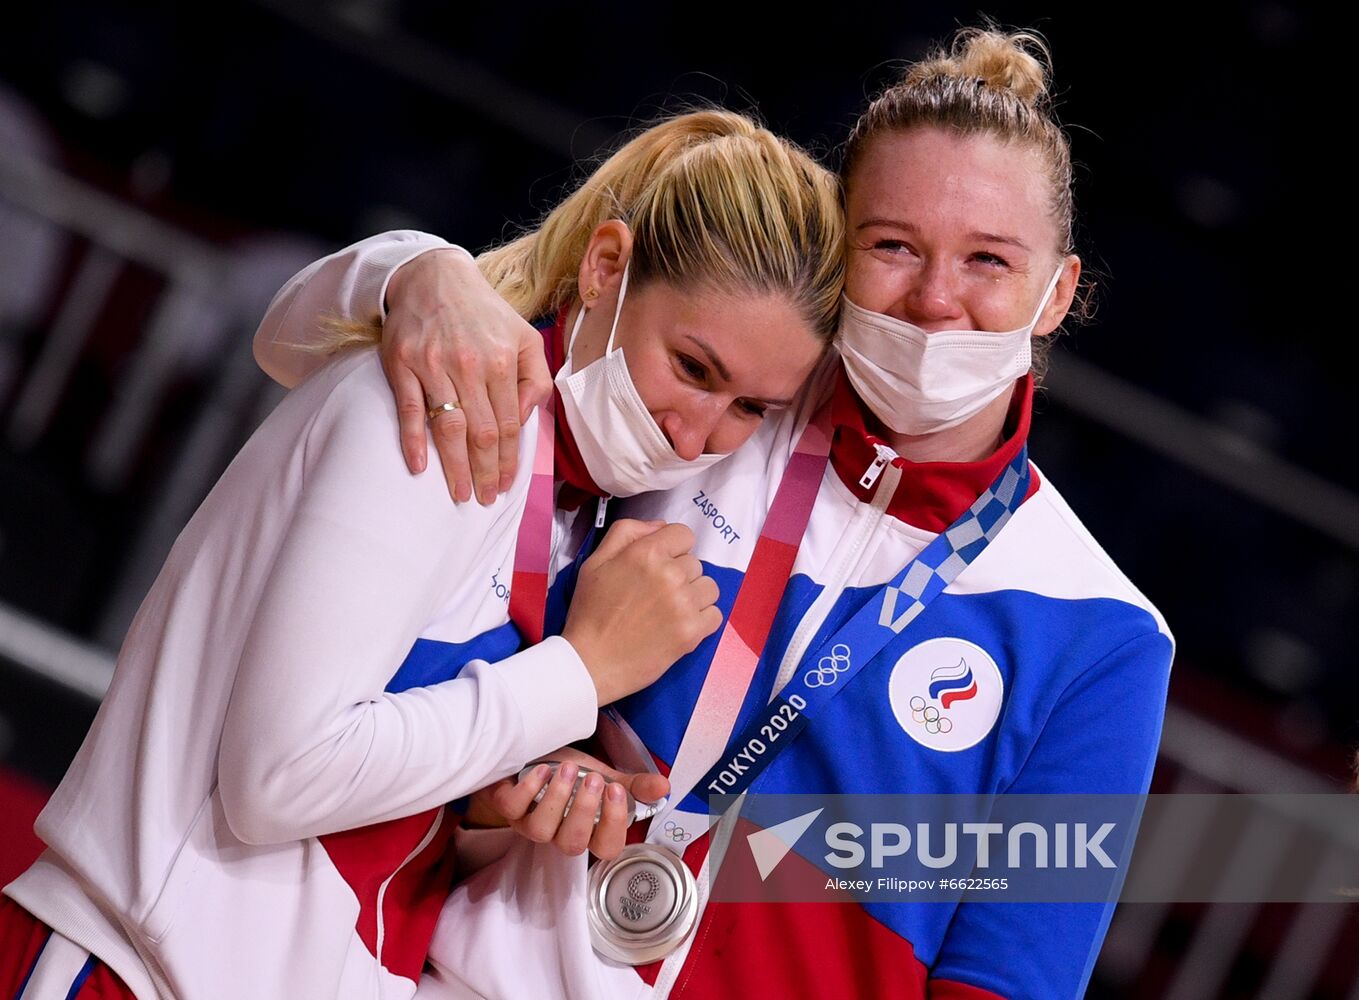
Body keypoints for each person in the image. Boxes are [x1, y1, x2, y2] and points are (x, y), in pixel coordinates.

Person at [250, 27, 1174, 1000]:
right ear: (838, 256)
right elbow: (303, 343)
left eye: (988, 260)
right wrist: (418, 274)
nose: (936, 299)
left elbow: (1010, 980)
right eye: (892, 245)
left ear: (1057, 293)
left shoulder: (1104, 637)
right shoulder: (702, 413)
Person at [0, 110, 845, 1000]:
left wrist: (508, 801)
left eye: (751, 408)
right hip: (131, 969)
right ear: (604, 269)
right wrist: (576, 674)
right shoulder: (444, 405)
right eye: (694, 367)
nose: (696, 433)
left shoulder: (580, 507)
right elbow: (277, 778)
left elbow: (382, 822)